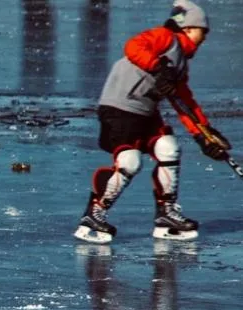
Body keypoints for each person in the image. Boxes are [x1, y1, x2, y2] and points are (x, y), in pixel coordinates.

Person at [74, 0, 231, 244]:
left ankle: (165, 215)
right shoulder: (165, 37)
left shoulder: (180, 61)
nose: (205, 37)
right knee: (130, 161)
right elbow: (133, 46)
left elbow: (183, 100)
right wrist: (158, 67)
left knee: (168, 147)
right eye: (204, 31)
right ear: (189, 28)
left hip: (145, 111)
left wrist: (203, 133)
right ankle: (94, 214)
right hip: (119, 106)